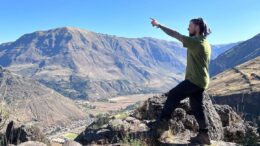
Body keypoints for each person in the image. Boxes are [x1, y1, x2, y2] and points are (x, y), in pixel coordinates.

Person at [150, 17, 212, 145]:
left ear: (197, 27)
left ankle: (162, 126)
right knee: (197, 106)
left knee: (173, 94)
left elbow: (175, 34)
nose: (188, 28)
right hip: (202, 80)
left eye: (190, 25)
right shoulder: (204, 42)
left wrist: (159, 25)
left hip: (195, 80)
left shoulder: (196, 42)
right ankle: (204, 134)